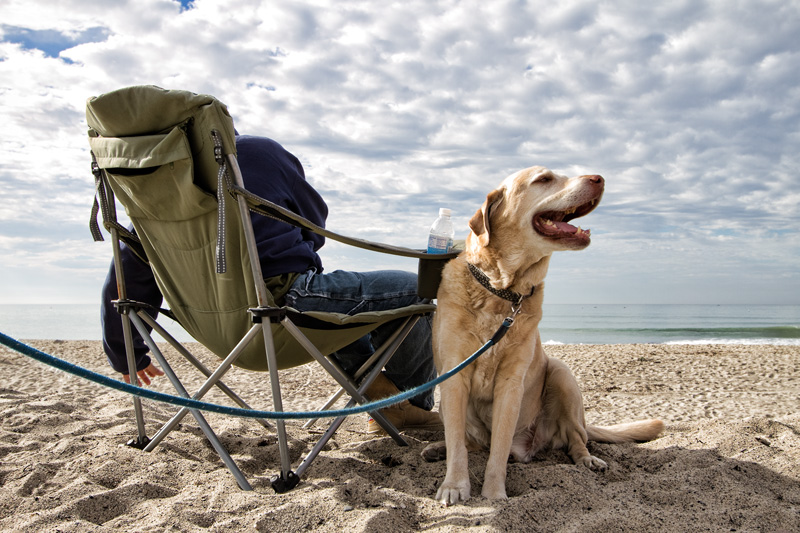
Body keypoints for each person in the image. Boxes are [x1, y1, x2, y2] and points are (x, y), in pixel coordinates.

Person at [101, 134, 441, 433]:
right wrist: (301, 250)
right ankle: (403, 403)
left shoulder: (159, 195)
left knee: (337, 306)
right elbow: (312, 220)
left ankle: (381, 392)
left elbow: (125, 280)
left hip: (218, 332)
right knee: (416, 291)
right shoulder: (255, 152)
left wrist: (126, 352)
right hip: (281, 305)